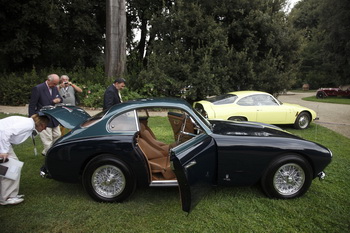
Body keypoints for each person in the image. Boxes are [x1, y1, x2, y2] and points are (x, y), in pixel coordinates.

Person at [0, 114, 49, 205]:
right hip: (1, 141)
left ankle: (7, 194)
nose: (45, 129)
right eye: (45, 126)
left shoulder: (29, 123)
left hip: (2, 141)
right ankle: (8, 197)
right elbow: (6, 132)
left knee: (7, 168)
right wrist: (4, 151)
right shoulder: (28, 124)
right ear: (41, 124)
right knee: (12, 168)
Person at [28, 74, 63, 156]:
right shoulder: (38, 88)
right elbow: (32, 104)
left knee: (58, 135)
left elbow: (60, 98)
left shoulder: (55, 88)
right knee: (48, 139)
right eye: (54, 83)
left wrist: (58, 99)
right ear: (48, 80)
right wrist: (31, 118)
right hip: (43, 117)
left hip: (53, 116)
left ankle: (48, 151)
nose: (55, 86)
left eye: (56, 84)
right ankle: (50, 157)